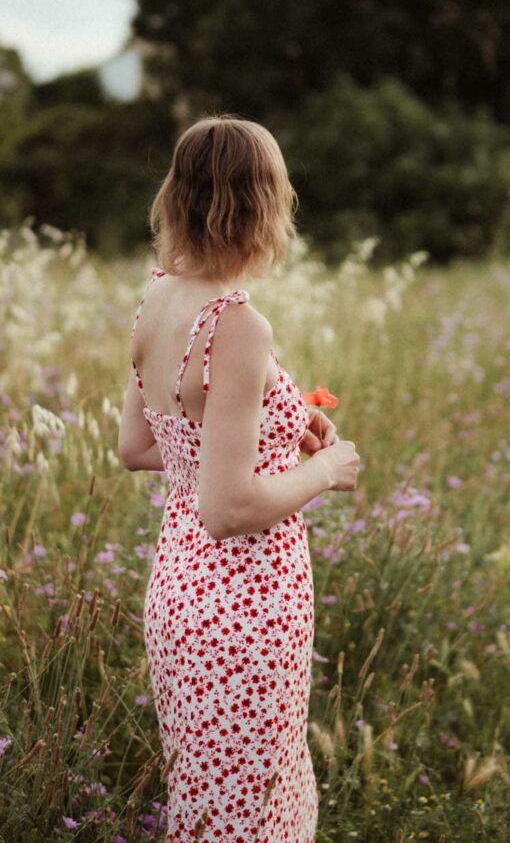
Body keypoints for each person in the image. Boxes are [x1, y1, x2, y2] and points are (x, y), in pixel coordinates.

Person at [118, 114, 360, 843]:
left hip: (180, 595)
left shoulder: (157, 296)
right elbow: (228, 508)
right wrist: (323, 469)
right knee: (250, 813)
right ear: (261, 203)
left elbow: (141, 444)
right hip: (243, 605)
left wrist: (274, 433)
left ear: (179, 196)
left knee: (209, 801)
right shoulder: (237, 322)